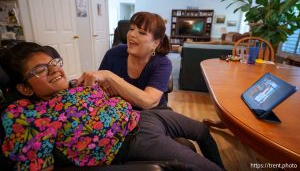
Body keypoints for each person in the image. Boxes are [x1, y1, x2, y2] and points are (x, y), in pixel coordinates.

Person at [0, 42, 224, 170]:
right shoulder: (28, 117)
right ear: (25, 88)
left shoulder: (75, 84)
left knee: (203, 131)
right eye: (40, 70)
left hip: (144, 117)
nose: (54, 70)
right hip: (132, 141)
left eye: (53, 63)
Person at [78, 12, 172, 110]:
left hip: (152, 114)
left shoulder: (162, 63)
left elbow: (149, 102)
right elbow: (100, 89)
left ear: (155, 44)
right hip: (118, 110)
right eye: (131, 29)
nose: (132, 34)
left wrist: (109, 77)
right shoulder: (113, 54)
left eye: (142, 32)